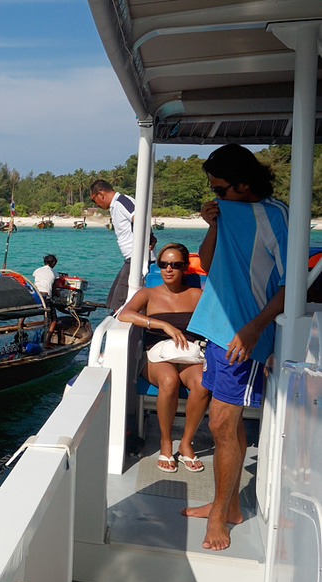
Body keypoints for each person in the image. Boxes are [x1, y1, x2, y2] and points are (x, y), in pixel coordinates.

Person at [182, 144, 288, 552]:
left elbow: (288, 282)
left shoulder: (275, 216)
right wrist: (211, 224)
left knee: (221, 423)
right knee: (226, 424)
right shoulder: (228, 211)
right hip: (216, 328)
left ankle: (219, 514)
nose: (216, 194)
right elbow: (207, 264)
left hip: (243, 340)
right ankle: (227, 507)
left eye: (221, 188)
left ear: (245, 184)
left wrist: (254, 330)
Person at [117, 243, 210, 473]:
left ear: (185, 268)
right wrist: (160, 324)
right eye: (164, 264)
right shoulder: (148, 294)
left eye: (176, 265)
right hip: (157, 356)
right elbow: (124, 314)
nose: (169, 269)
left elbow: (215, 322)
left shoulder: (198, 295)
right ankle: (166, 442)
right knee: (169, 380)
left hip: (189, 354)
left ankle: (187, 443)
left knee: (201, 383)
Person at [90, 180, 140, 313]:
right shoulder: (116, 205)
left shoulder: (122, 202)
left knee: (117, 302)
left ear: (101, 194)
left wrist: (147, 239)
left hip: (135, 258)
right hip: (131, 258)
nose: (96, 204)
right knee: (112, 299)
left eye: (94, 200)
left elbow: (139, 218)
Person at [32, 254, 60, 344]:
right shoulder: (54, 273)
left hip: (35, 294)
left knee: (29, 309)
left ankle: (21, 323)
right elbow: (54, 289)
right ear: (54, 263)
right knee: (54, 320)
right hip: (46, 296)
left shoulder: (37, 270)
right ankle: (47, 342)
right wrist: (58, 294)